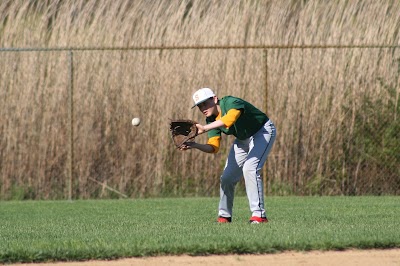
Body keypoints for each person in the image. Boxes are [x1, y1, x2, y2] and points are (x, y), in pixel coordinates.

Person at [180, 87, 276, 224]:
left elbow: (230, 119)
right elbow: (213, 147)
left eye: (205, 103)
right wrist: (194, 145)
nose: (203, 108)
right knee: (227, 177)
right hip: (243, 139)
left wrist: (205, 128)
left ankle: (259, 215)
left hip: (262, 132)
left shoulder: (230, 102)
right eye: (199, 106)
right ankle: (224, 216)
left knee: (250, 168)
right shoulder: (210, 120)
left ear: (214, 99)